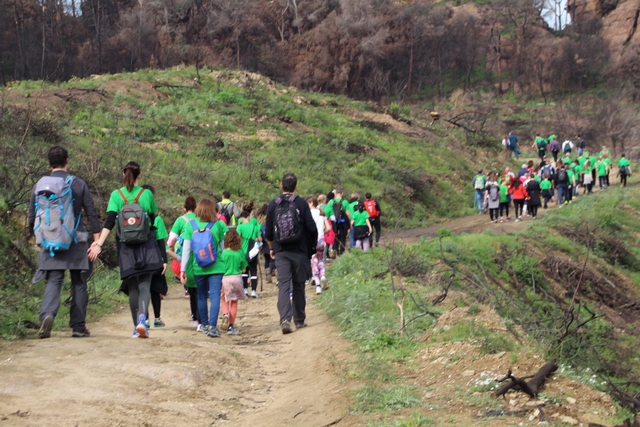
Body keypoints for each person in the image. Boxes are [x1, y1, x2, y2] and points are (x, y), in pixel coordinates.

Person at [29, 146, 101, 339]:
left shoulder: (40, 185)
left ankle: (48, 314)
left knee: (54, 279)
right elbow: (91, 214)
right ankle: (78, 327)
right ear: (67, 161)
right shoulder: (78, 184)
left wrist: (38, 238)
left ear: (48, 162)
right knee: (79, 282)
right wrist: (97, 241)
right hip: (76, 240)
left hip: (50, 241)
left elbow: (32, 216)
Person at [88, 161, 164, 339]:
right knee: (145, 284)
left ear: (123, 175)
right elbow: (153, 221)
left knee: (132, 286)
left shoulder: (116, 195)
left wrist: (99, 243)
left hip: (125, 246)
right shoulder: (146, 195)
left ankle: (134, 328)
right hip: (146, 244)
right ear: (140, 176)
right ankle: (142, 319)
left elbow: (110, 221)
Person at [265, 173, 318, 334]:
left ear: (281, 185)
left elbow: (268, 233)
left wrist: (273, 248)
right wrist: (311, 248)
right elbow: (312, 228)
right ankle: (300, 320)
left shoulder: (273, 204)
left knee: (283, 285)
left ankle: (285, 320)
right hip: (300, 251)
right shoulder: (301, 203)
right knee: (299, 285)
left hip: (281, 252)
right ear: (295, 187)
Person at [179, 199, 228, 338]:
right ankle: (212, 326)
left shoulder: (190, 226)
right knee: (214, 296)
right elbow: (222, 248)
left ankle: (204, 324)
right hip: (216, 266)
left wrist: (183, 270)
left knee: (201, 295)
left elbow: (186, 250)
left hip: (198, 267)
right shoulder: (218, 225)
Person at [167, 196, 199, 327]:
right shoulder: (199, 219)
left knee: (189, 281)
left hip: (185, 254)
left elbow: (171, 240)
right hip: (199, 254)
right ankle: (200, 317)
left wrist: (170, 248)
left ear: (184, 208)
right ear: (195, 208)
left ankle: (195, 317)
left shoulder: (180, 220)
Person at [142, 184, 168, 328]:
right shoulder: (156, 219)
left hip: (139, 258)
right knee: (155, 289)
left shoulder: (133, 216)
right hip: (155, 258)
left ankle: (144, 319)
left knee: (143, 288)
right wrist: (164, 260)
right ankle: (157, 318)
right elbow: (160, 241)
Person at [219, 229, 248, 335]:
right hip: (237, 278)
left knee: (224, 299)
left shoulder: (224, 253)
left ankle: (225, 314)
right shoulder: (240, 252)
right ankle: (231, 327)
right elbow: (244, 268)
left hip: (226, 278)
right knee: (234, 302)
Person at [308, 196, 329, 294]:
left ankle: (318, 285)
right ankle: (323, 276)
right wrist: (322, 233)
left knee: (314, 261)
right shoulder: (321, 213)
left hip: (312, 240)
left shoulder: (308, 214)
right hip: (321, 239)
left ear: (311, 203)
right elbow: (328, 228)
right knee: (321, 260)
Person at [237, 210, 261, 298]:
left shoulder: (239, 227)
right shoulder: (254, 227)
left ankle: (245, 290)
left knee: (244, 271)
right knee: (254, 271)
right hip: (253, 252)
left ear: (242, 218)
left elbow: (237, 238)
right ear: (248, 217)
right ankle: (254, 291)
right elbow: (260, 239)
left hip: (243, 252)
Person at [327, 189, 350, 255]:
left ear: (335, 193)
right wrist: (349, 224)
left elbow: (327, 212)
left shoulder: (331, 201)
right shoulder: (345, 202)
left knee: (335, 236)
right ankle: (341, 251)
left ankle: (335, 250)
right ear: (341, 193)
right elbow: (348, 213)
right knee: (343, 236)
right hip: (342, 222)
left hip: (334, 222)